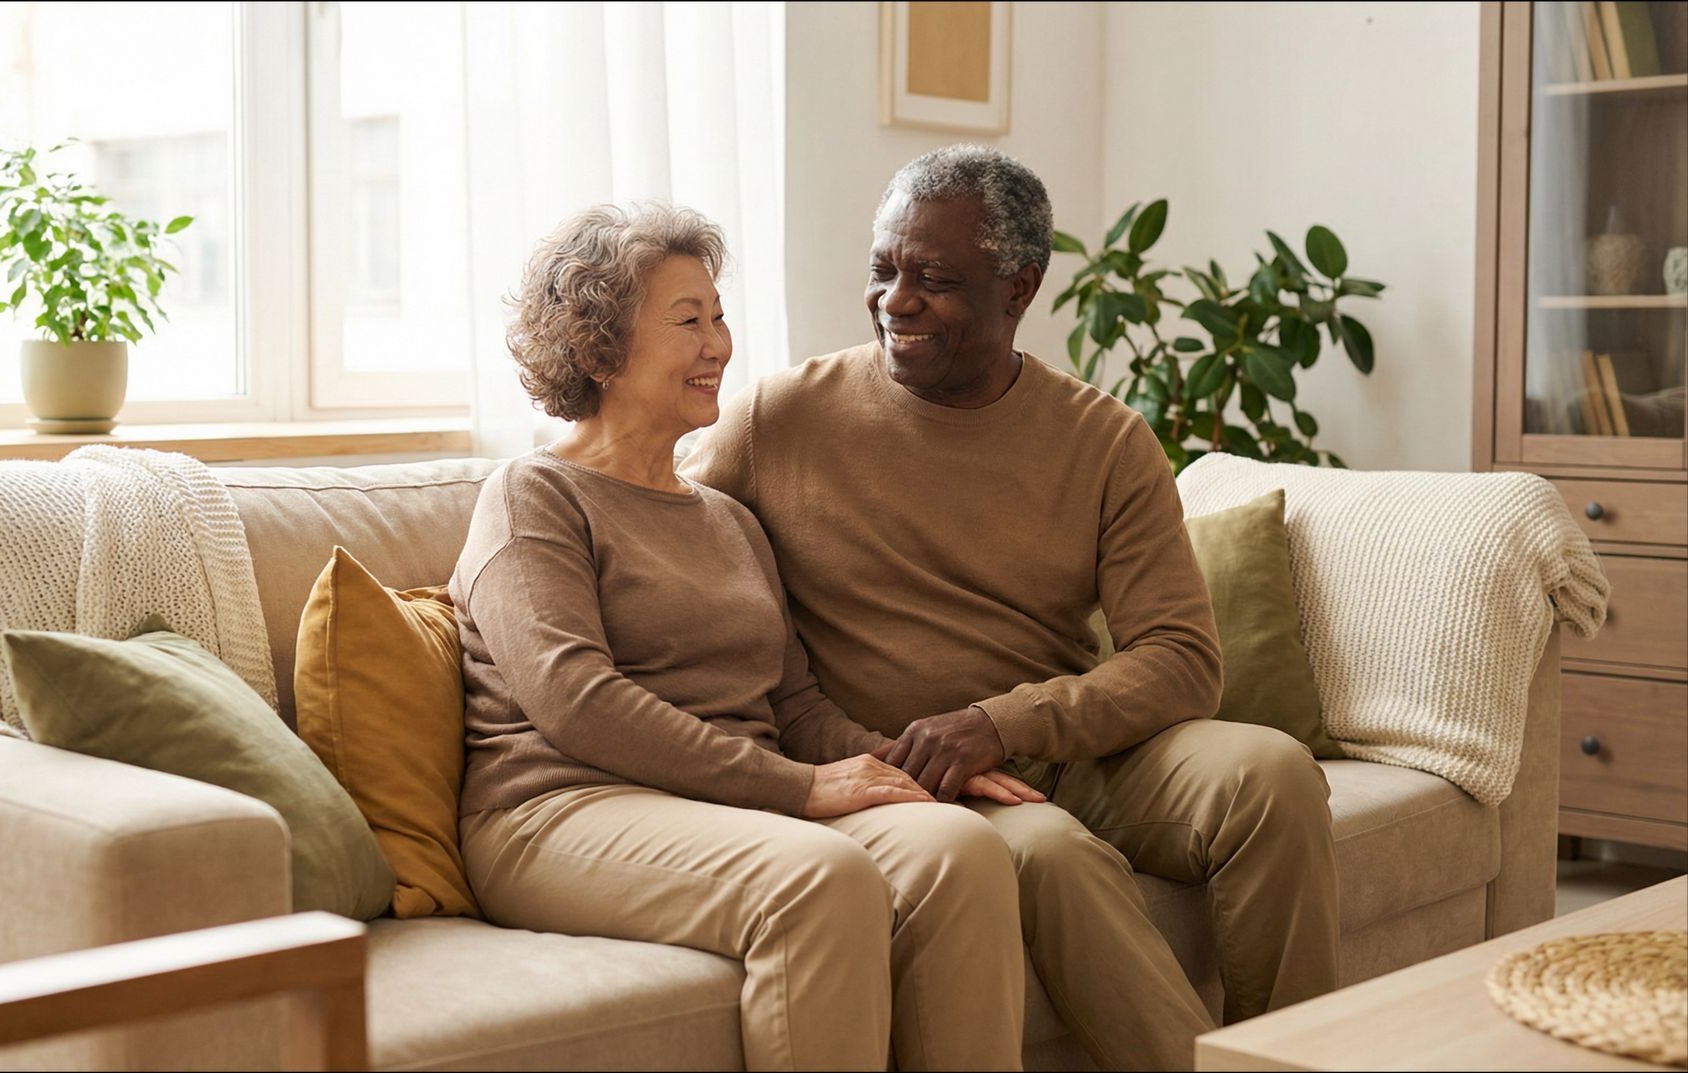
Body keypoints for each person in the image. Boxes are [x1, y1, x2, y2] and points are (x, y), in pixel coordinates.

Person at [683, 145, 1342, 1072]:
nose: (895, 301)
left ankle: (1295, 1052)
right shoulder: (778, 418)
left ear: (1018, 287)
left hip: (1074, 748)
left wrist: (1002, 722)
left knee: (1271, 772)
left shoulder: (1103, 439)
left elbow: (1184, 658)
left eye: (936, 280)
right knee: (1048, 853)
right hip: (911, 776)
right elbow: (656, 529)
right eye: (882, 269)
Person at [451, 202, 1034, 1072]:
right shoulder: (533, 495)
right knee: (819, 878)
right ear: (600, 347)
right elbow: (576, 699)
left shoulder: (726, 516)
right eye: (689, 320)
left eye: (720, 317)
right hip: (558, 809)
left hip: (720, 801)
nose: (719, 342)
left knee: (959, 849)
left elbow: (791, 702)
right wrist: (799, 789)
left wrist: (908, 766)